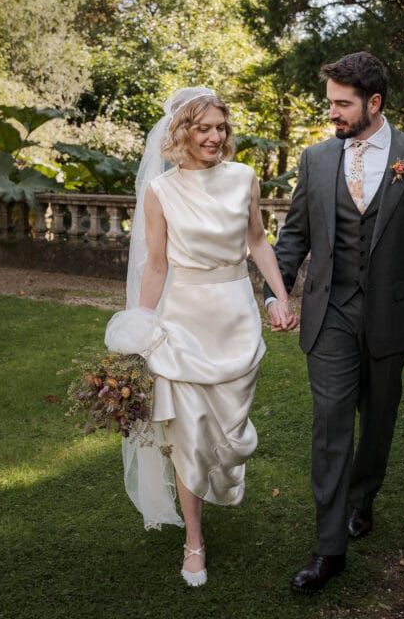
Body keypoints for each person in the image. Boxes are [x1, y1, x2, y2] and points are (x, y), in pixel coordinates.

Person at [265, 52, 404, 593]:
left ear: (374, 103)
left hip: (390, 318)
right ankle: (330, 549)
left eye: (342, 104)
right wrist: (275, 294)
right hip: (328, 315)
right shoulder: (317, 159)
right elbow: (294, 235)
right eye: (330, 103)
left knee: (376, 426)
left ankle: (364, 495)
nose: (333, 113)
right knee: (330, 426)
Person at [106, 87, 295, 588]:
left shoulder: (244, 179)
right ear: (181, 132)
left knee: (230, 436)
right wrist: (141, 328)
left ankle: (221, 481)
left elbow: (257, 241)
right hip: (183, 321)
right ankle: (194, 540)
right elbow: (157, 265)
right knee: (186, 434)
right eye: (204, 128)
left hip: (236, 315)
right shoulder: (160, 192)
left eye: (221, 128)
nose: (215, 137)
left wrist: (279, 295)